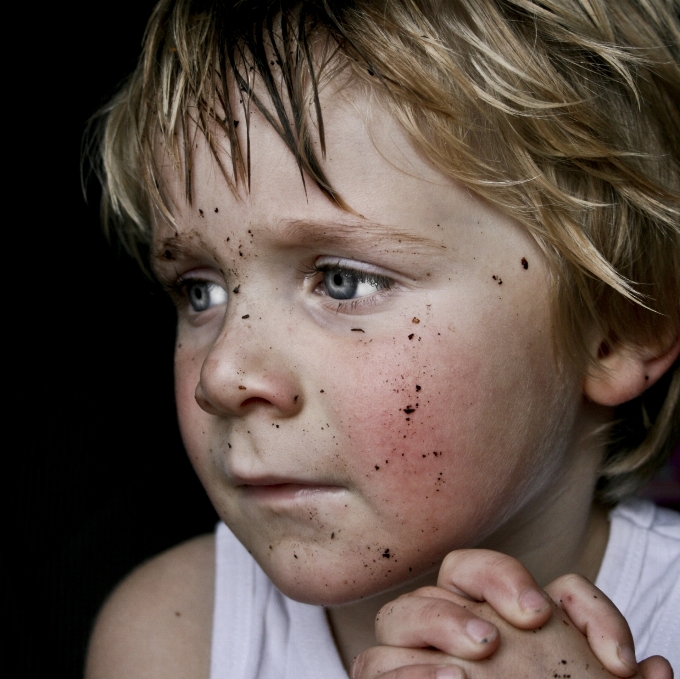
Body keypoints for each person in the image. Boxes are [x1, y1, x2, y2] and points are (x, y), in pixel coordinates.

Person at [83, 1, 680, 677]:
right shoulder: (175, 637)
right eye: (200, 290)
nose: (220, 374)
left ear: (621, 326)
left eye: (341, 280)